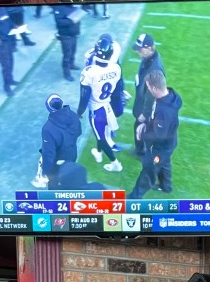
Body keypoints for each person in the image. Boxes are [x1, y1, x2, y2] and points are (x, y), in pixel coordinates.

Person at [129, 69, 182, 199]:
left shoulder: (164, 111)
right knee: (164, 163)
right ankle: (166, 186)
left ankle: (134, 198)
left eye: (148, 87)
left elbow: (159, 134)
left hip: (160, 148)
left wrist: (143, 133)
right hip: (168, 144)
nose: (148, 90)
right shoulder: (169, 95)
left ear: (154, 88)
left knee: (149, 168)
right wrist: (146, 123)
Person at [77, 33, 124, 172]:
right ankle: (98, 152)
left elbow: (84, 97)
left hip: (96, 108)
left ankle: (116, 164)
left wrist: (79, 113)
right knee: (101, 131)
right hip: (106, 104)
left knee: (100, 136)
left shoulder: (89, 72)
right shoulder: (116, 69)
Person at [32, 94, 82, 188]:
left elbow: (49, 154)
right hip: (72, 154)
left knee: (54, 187)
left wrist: (45, 173)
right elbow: (79, 132)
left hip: (57, 162)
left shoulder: (48, 128)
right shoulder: (73, 115)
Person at [132, 32, 164, 156]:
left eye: (140, 49)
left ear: (149, 48)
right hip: (142, 101)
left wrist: (145, 114)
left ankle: (146, 155)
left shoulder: (155, 69)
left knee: (143, 129)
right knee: (138, 127)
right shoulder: (148, 58)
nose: (138, 52)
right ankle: (139, 150)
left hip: (147, 107)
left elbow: (152, 95)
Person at [52, 5, 80, 82]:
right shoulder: (58, 7)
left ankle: (71, 64)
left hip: (74, 34)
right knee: (67, 55)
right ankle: (66, 73)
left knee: (73, 51)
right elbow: (59, 22)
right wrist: (72, 20)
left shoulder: (73, 6)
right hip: (65, 35)